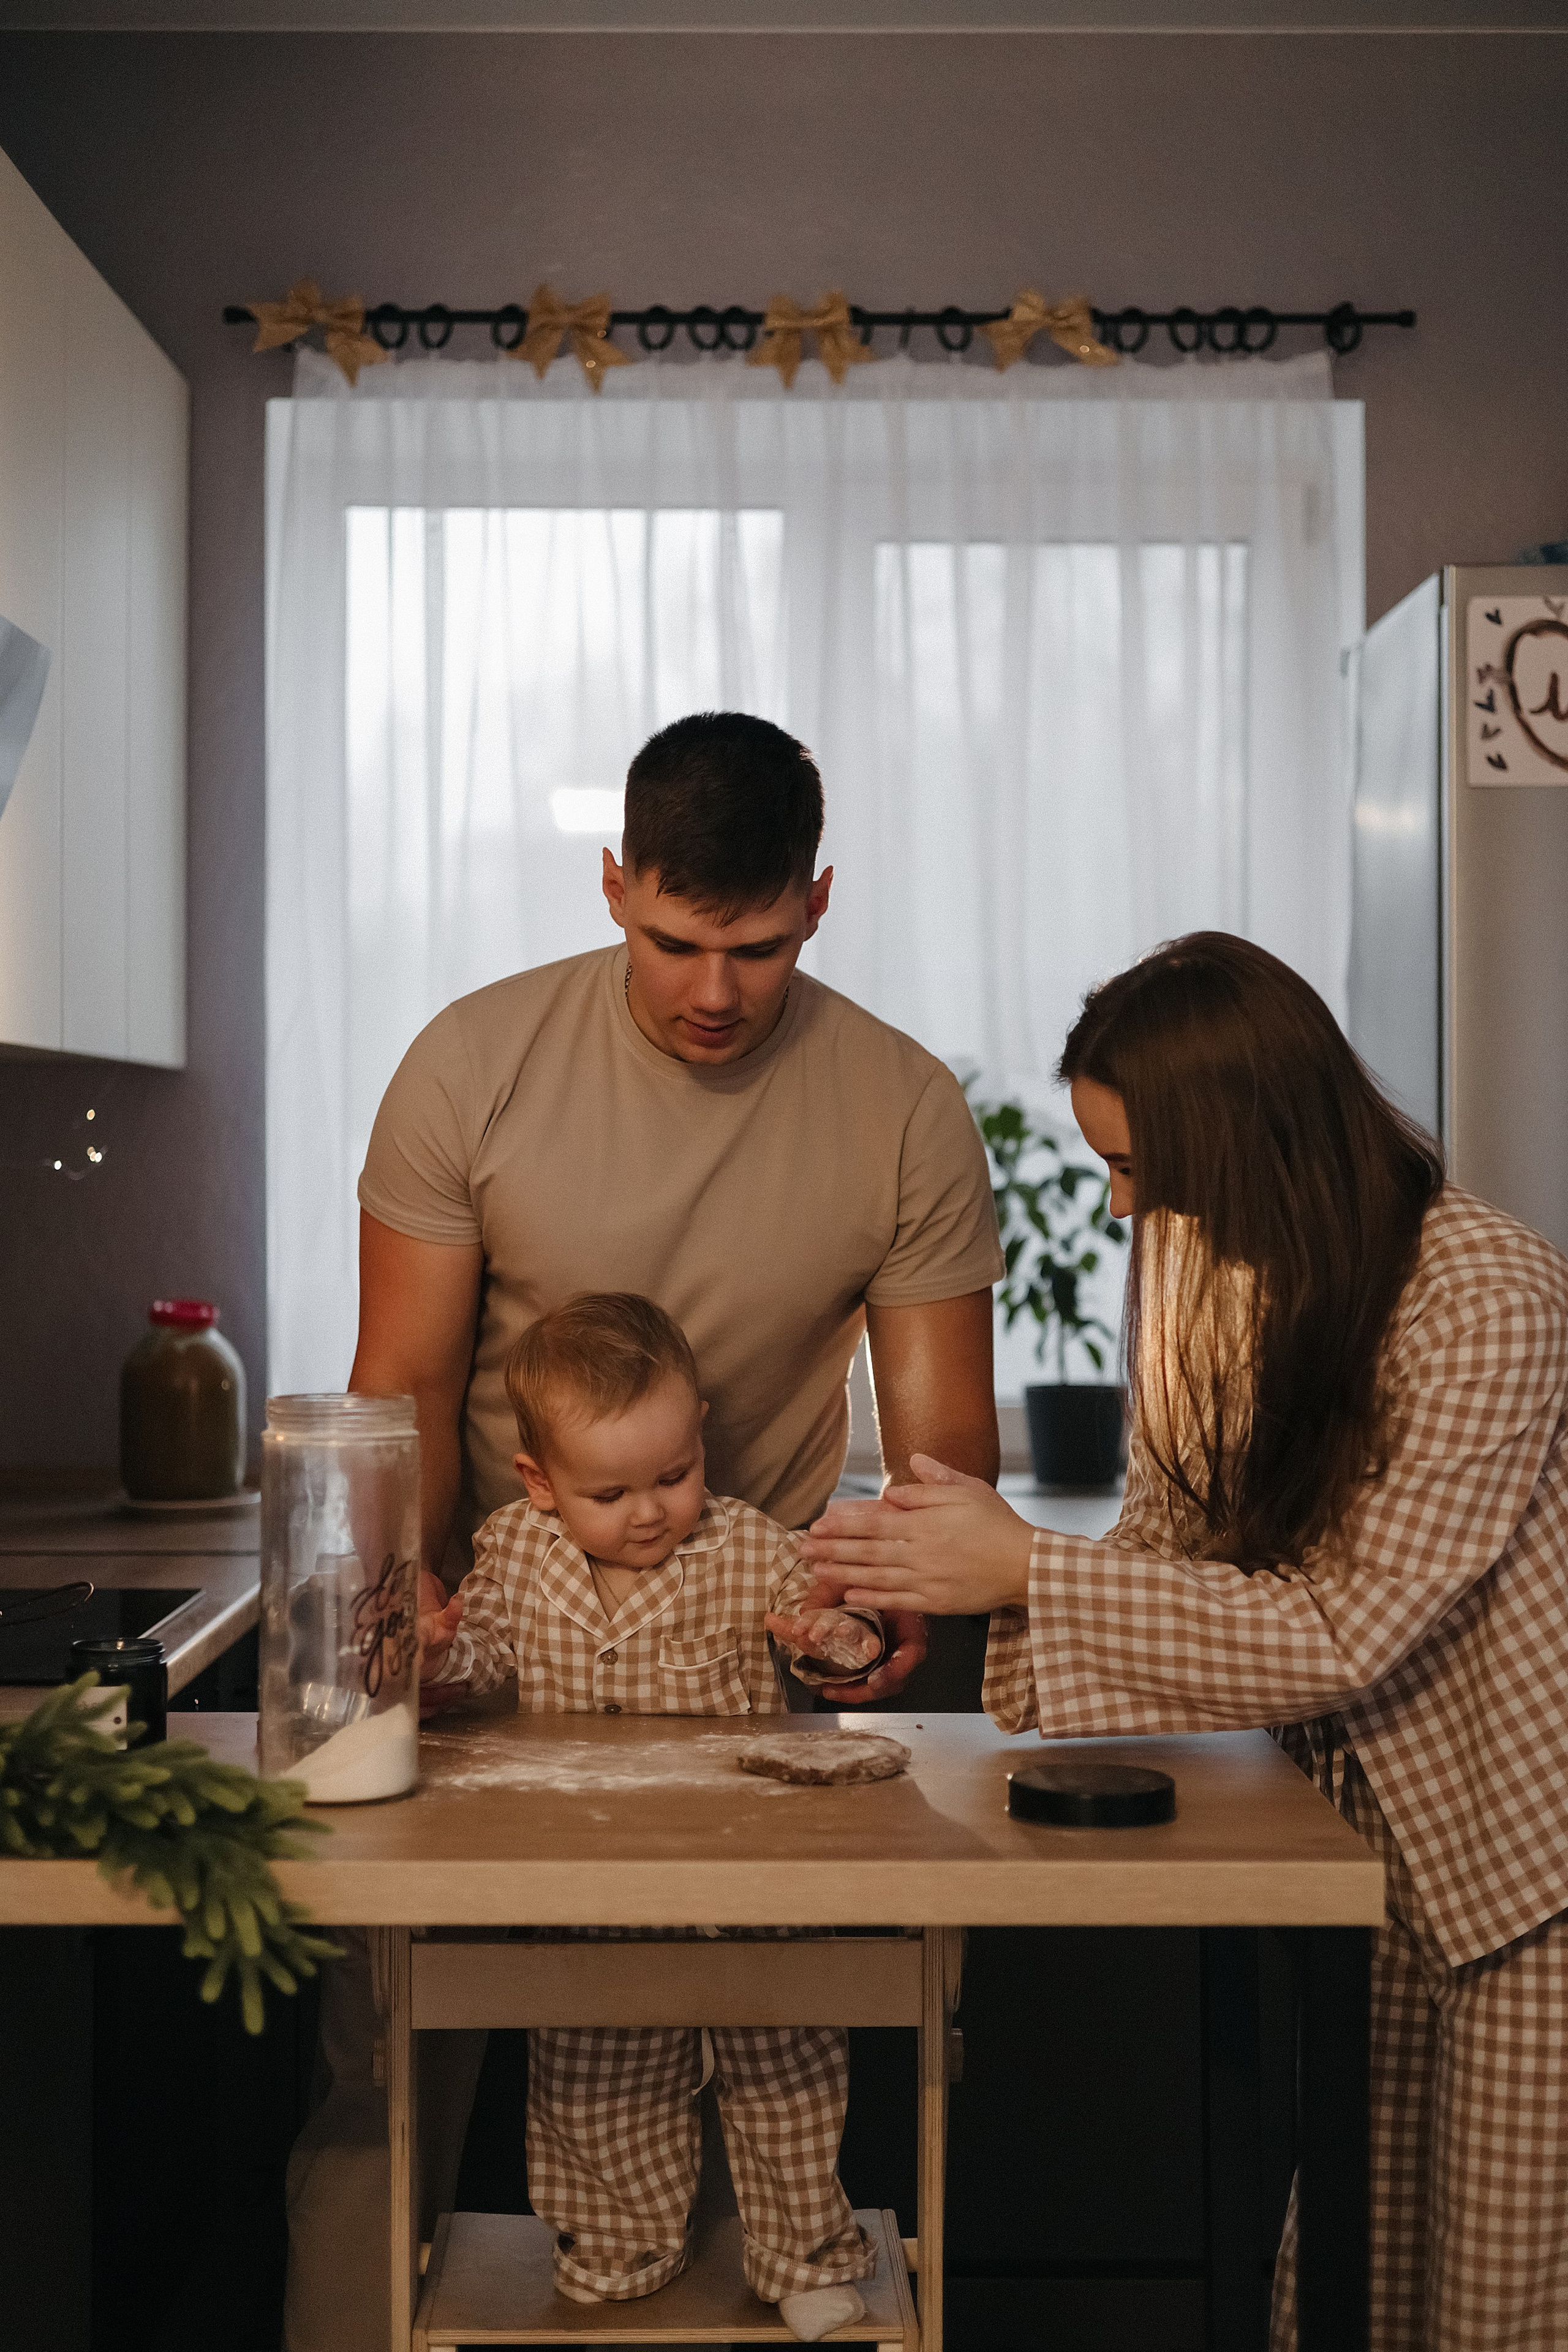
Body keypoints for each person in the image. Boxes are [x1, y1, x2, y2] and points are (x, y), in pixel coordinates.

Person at [284, 711, 1004, 2352]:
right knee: (380, 2076)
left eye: (754, 945)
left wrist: (887, 1601)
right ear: (612, 884)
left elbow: (944, 1454)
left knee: (778, 2066)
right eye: (675, 938)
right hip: (493, 1668)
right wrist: (394, 1628)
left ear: (818, 902)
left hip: (754, 1696)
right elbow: (392, 1389)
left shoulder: (900, 1109)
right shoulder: (471, 1065)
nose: (712, 991)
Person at [799, 932, 1568, 2352]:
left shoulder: (1486, 1294)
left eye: (1136, 1169)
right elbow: (1166, 1543)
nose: (1114, 1208)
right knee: (1346, 2284)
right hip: (1358, 1870)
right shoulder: (1203, 1278)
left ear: (1251, 1139)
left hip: (1519, 1882)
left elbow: (1349, 1627)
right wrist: (949, 1571)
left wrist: (1021, 1563)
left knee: (1492, 2310)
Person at [421, 1292, 882, 2339]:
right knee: (596, 2067)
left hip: (750, 1875)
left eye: (675, 1475)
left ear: (700, 1437)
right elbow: (483, 1650)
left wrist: (831, 1636)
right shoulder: (515, 1554)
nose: (650, 1511)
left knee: (788, 2066)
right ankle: (621, 2246)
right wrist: (443, 1654)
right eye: (610, 1491)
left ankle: (803, 2247)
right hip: (590, 1882)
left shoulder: (747, 1547)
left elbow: (825, 1618)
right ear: (539, 1484)